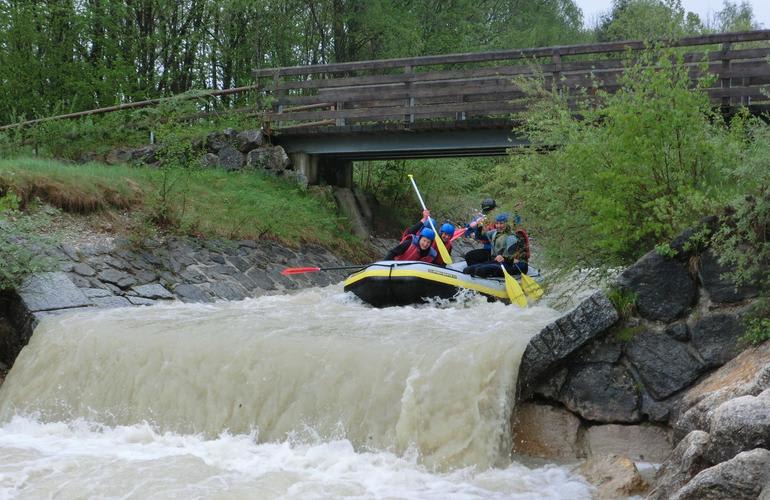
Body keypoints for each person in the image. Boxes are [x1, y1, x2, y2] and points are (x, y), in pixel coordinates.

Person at [462, 213, 529, 278]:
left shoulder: (512, 238)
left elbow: (516, 259)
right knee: (468, 269)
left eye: (501, 223)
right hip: (500, 260)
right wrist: (480, 226)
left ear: (507, 224)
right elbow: (480, 237)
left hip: (516, 265)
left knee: (480, 270)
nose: (498, 226)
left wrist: (504, 258)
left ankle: (485, 277)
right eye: (497, 223)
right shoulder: (495, 232)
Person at [464, 198, 498, 265]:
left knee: (470, 256)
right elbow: (468, 232)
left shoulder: (498, 220)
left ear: (493, 210)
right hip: (488, 249)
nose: (487, 214)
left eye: (488, 212)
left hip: (497, 251)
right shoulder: (481, 219)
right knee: (469, 256)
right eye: (486, 212)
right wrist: (475, 225)